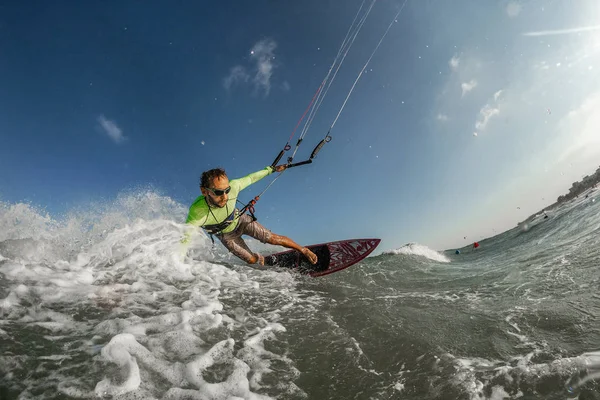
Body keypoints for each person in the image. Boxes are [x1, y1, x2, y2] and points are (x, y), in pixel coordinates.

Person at [185, 165, 318, 266]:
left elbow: (251, 178)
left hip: (242, 221)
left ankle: (303, 250)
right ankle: (264, 260)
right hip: (227, 236)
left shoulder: (235, 186)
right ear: (204, 191)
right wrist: (175, 263)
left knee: (273, 239)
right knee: (252, 260)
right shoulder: (198, 212)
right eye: (219, 192)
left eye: (227, 190)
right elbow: (184, 238)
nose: (225, 196)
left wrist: (271, 169)